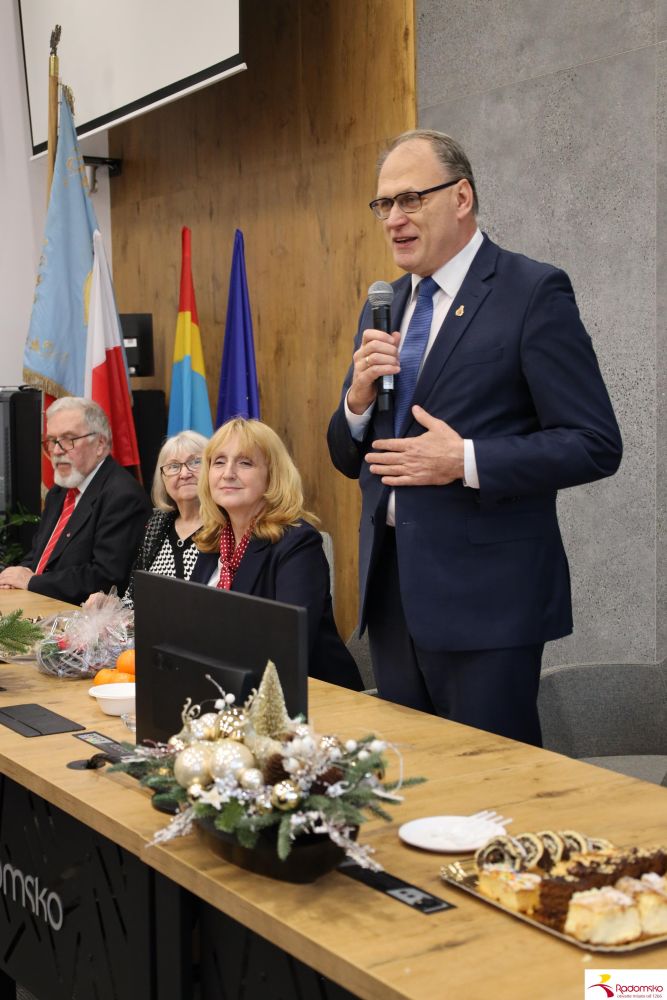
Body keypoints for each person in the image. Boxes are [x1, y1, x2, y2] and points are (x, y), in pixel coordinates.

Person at [327, 128, 622, 745]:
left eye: (411, 199)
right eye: (384, 204)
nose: (394, 218)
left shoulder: (530, 292)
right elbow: (348, 455)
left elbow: (594, 442)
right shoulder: (384, 304)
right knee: (411, 780)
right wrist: (356, 400)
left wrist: (463, 459)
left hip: (488, 602)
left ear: (461, 197)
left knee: (492, 787)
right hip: (394, 595)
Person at [190, 417, 362, 690]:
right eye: (219, 462)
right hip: (224, 690)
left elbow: (287, 645)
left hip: (312, 697)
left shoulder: (297, 543)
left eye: (245, 463)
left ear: (272, 477)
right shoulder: (213, 540)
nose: (228, 473)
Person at [0, 397, 151, 605]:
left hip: (84, 617)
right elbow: (39, 555)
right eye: (52, 441)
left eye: (68, 439)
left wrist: (32, 582)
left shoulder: (122, 496)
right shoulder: (60, 492)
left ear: (100, 444)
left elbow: (106, 578)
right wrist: (17, 575)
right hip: (40, 606)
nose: (56, 450)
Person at [91, 430, 208, 608]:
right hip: (150, 625)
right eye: (173, 466)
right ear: (163, 478)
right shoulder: (157, 523)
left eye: (195, 462)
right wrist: (110, 605)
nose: (184, 473)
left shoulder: (222, 527)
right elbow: (133, 598)